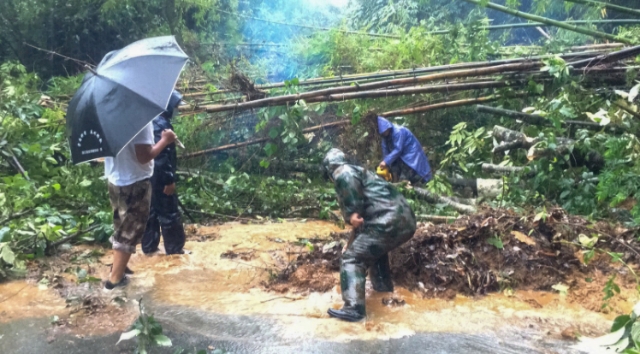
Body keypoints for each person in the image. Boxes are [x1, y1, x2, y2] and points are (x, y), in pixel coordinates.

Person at [323, 148, 416, 322]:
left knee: (352, 259)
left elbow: (357, 217)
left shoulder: (343, 172)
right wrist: (350, 242)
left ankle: (354, 309)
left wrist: (351, 212)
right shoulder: (362, 173)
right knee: (374, 253)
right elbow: (363, 225)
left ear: (328, 168)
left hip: (387, 221)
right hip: (404, 221)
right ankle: (384, 293)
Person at [104, 116, 178, 291]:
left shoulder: (109, 117)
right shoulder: (139, 120)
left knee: (121, 224)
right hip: (134, 180)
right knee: (131, 229)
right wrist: (165, 141)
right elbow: (144, 156)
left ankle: (119, 267)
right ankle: (114, 280)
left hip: (115, 177)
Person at [142, 91, 188, 255]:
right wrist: (169, 180)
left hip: (147, 177)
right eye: (175, 106)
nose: (177, 110)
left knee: (150, 211)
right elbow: (160, 157)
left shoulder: (150, 120)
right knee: (169, 213)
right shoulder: (161, 124)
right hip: (159, 177)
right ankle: (175, 250)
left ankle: (149, 248)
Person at [377, 116, 432, 186]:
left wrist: (386, 161)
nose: (384, 133)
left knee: (414, 174)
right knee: (395, 170)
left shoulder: (398, 131)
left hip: (411, 155)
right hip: (399, 157)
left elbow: (398, 149)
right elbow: (385, 150)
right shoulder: (385, 138)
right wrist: (386, 163)